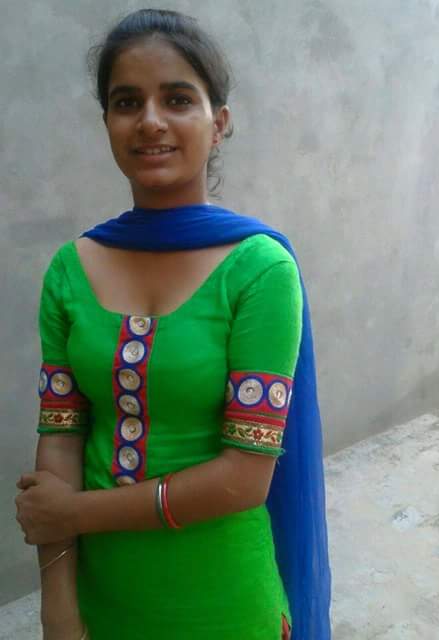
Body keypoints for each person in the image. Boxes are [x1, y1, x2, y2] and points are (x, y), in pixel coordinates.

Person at [15, 9, 331, 640]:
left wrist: (73, 512)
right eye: (127, 102)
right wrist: (58, 603)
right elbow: (61, 440)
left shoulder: (259, 270)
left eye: (178, 99)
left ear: (219, 123)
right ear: (107, 122)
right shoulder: (71, 270)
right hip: (102, 595)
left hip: (223, 598)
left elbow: (244, 479)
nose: (151, 120)